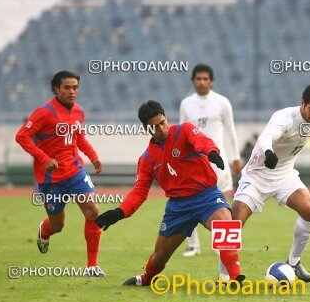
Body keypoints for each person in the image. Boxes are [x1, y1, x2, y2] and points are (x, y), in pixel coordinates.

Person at [95, 100, 244, 286]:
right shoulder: (147, 159)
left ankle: (235, 278)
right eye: (155, 126)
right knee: (159, 257)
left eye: (163, 122)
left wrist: (211, 152)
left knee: (225, 228)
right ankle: (147, 279)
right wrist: (119, 212)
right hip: (178, 207)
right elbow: (139, 192)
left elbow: (201, 141)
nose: (162, 128)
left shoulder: (184, 131)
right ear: (146, 128)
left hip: (207, 197)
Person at [231, 83, 310, 282]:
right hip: (257, 175)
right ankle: (228, 276)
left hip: (284, 175)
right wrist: (269, 152)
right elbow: (266, 137)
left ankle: (293, 262)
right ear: (302, 103)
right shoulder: (284, 118)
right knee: (234, 223)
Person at [15, 71, 104, 276]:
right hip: (50, 178)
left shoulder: (79, 111)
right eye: (67, 87)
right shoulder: (44, 112)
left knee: (92, 211)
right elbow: (22, 136)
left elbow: (78, 136)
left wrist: (93, 156)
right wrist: (44, 159)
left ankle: (92, 266)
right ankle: (44, 231)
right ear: (56, 89)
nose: (72, 91)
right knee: (58, 225)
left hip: (75, 170)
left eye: (75, 87)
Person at [179, 63, 242, 257]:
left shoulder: (222, 102)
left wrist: (235, 157)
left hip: (218, 160)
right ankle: (193, 245)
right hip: (193, 161)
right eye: (198, 78)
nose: (202, 82)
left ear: (211, 81)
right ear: (193, 81)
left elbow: (230, 130)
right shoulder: (186, 104)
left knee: (221, 201)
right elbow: (181, 133)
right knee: (188, 199)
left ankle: (222, 244)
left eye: (205, 78)